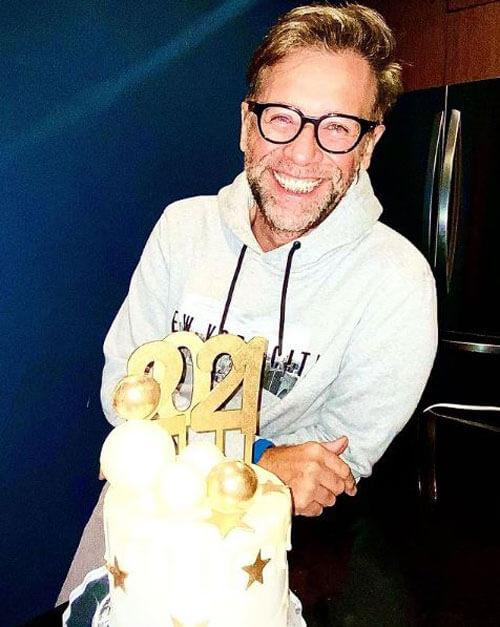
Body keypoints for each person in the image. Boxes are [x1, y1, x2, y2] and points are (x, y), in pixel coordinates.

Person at [58, 2, 437, 602]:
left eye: (338, 127)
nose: (302, 155)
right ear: (245, 124)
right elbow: (123, 397)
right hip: (136, 520)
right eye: (281, 118)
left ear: (368, 145)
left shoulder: (398, 282)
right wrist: (262, 457)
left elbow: (324, 474)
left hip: (265, 553)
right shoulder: (181, 229)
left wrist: (205, 453)